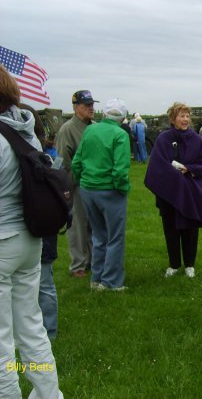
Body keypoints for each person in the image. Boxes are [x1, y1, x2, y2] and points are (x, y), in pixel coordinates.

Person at [0, 65, 63, 398]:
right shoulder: (23, 129)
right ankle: (48, 393)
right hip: (28, 240)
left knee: (1, 340)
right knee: (31, 327)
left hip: (3, 240)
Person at [72, 98, 131, 291]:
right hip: (109, 190)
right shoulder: (120, 135)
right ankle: (111, 281)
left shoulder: (89, 130)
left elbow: (76, 162)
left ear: (104, 114)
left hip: (88, 189)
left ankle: (96, 278)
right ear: (122, 118)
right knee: (115, 237)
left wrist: (84, 180)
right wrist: (122, 189)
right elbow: (121, 171)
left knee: (98, 235)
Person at [145, 103, 202, 278]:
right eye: (181, 116)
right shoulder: (164, 139)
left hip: (190, 193)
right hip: (170, 193)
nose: (185, 119)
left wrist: (190, 169)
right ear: (173, 119)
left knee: (190, 229)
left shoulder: (196, 139)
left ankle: (189, 264)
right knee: (171, 229)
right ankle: (174, 264)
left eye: (187, 116)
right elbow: (158, 165)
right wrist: (176, 177)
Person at [24, 104, 60, 338]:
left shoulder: (44, 156)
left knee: (44, 281)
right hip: (42, 222)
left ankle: (48, 331)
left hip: (40, 221)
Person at [55, 89, 96, 277]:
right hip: (76, 184)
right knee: (77, 226)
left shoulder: (94, 126)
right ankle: (78, 265)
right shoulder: (67, 129)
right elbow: (62, 162)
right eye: (87, 105)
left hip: (95, 184)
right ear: (76, 107)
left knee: (93, 225)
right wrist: (66, 187)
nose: (91, 108)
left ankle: (93, 261)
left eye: (92, 104)